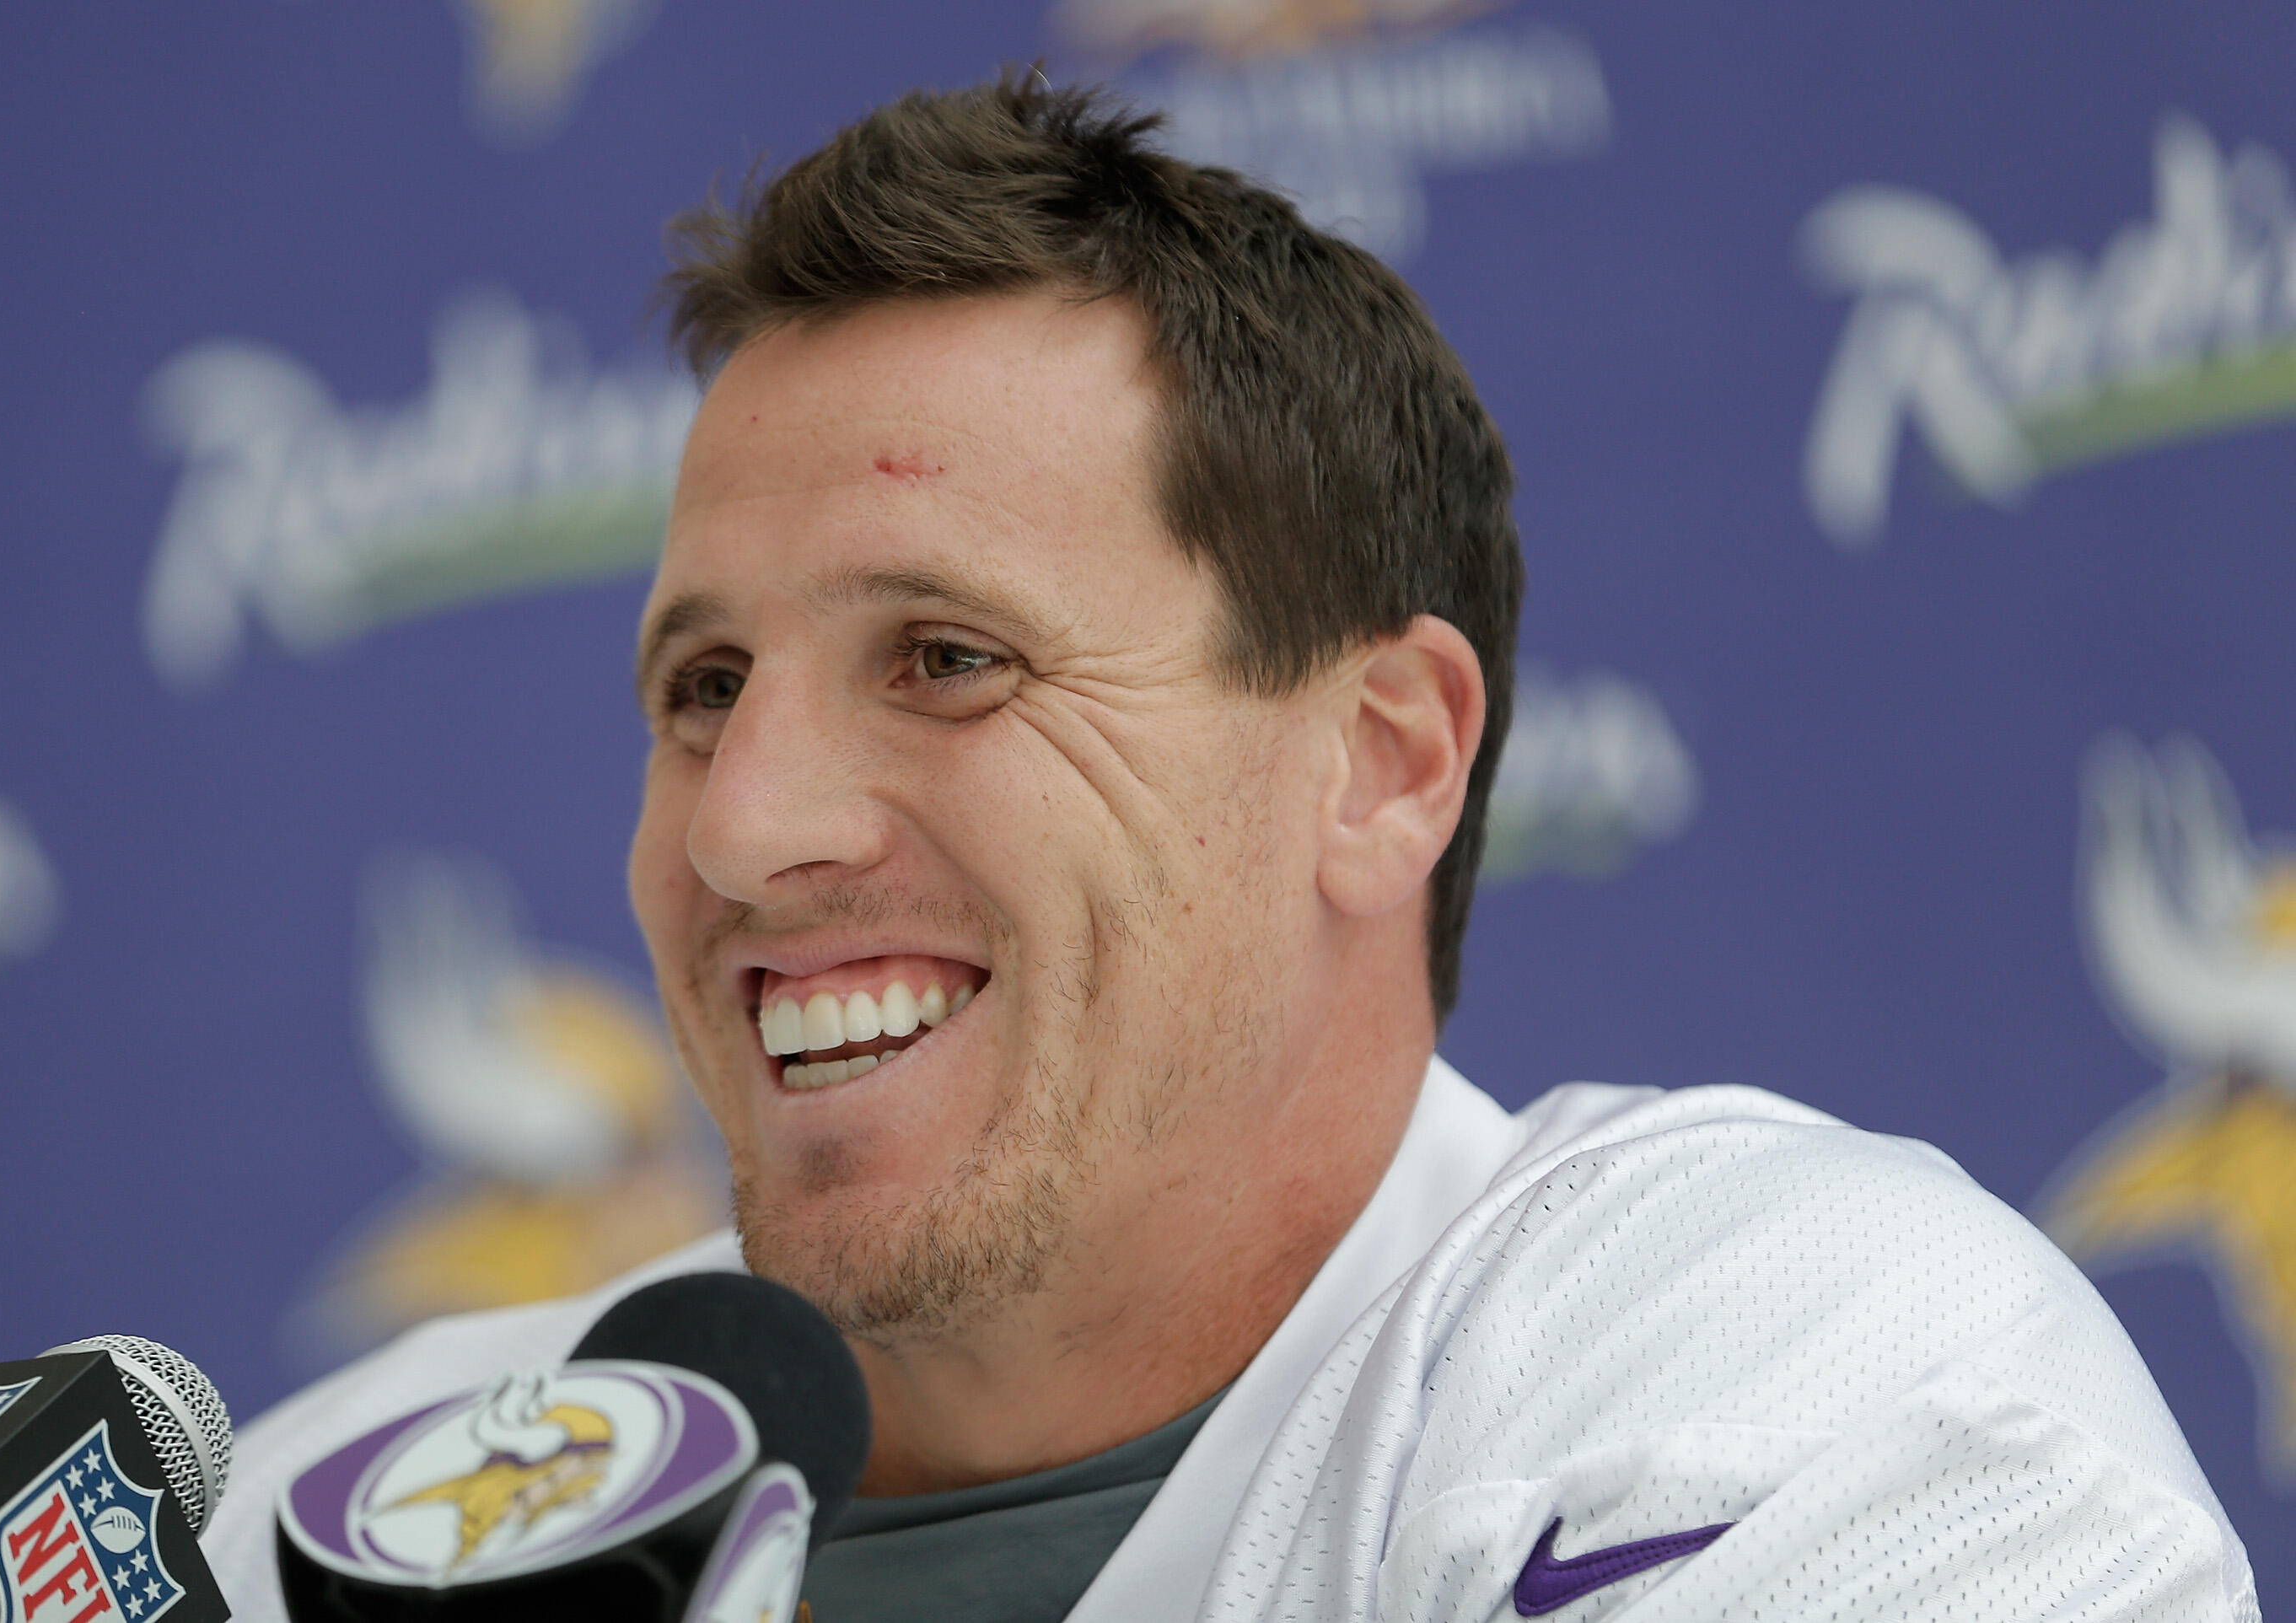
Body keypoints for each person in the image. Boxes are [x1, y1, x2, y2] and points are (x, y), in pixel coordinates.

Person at [203, 76, 2257, 1621]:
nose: (744, 828)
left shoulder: (1808, 1384)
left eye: (944, 656)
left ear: (1382, 763)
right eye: (704, 688)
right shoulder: (346, 1508)